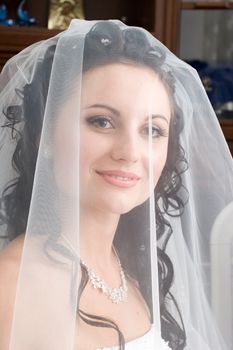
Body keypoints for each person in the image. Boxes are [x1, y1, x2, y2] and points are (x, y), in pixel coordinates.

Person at [0, 19, 232, 350]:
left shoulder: (134, 269)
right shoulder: (12, 288)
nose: (130, 153)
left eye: (152, 130)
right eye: (102, 121)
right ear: (45, 135)